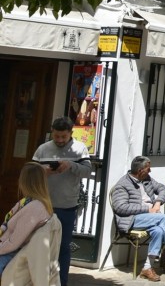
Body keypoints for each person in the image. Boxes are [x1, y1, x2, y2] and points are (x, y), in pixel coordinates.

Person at [110, 156, 165, 282]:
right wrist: (147, 209)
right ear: (140, 170)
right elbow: (120, 207)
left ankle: (147, 268)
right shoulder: (123, 185)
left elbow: (164, 189)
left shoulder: (146, 179)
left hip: (150, 217)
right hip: (131, 220)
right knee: (163, 219)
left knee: (158, 230)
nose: (150, 171)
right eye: (148, 169)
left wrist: (158, 202)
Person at [32, 116, 91, 286]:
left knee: (63, 247)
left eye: (63, 137)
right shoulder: (42, 149)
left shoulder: (79, 149)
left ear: (70, 134)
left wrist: (70, 165)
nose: (59, 140)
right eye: (56, 136)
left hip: (67, 205)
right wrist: (42, 171)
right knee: (40, 245)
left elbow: (87, 171)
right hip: (43, 204)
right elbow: (30, 172)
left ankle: (61, 282)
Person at [0, 162, 54, 277]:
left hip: (11, 254)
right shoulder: (28, 202)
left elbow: (14, 243)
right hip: (8, 249)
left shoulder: (35, 207)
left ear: (25, 181)